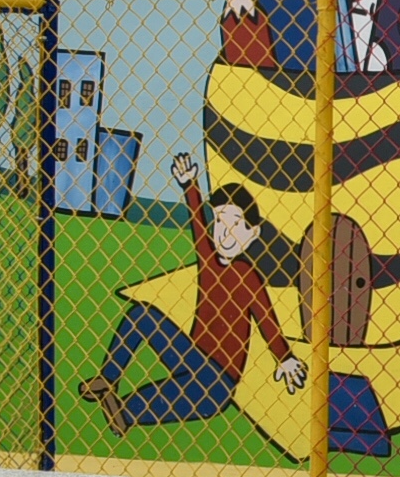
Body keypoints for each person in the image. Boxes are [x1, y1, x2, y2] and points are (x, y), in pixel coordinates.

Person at [81, 151, 307, 432]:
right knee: (142, 315)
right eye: (221, 222)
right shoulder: (210, 262)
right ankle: (108, 378)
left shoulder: (248, 277)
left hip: (218, 383)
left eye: (236, 224)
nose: (225, 233)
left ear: (254, 233)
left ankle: (124, 413)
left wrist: (284, 358)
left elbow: (266, 320)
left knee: (152, 402)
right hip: (192, 357)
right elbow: (198, 223)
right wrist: (190, 184)